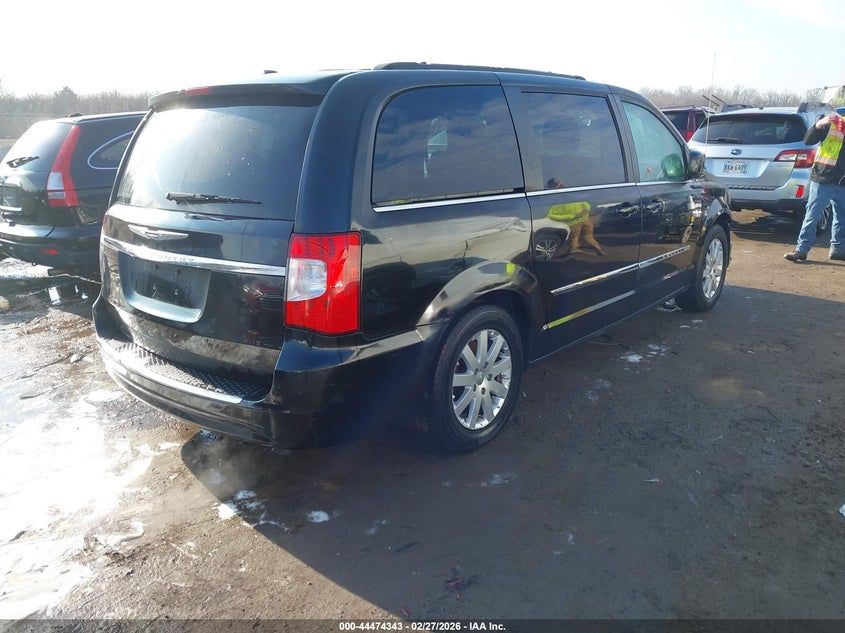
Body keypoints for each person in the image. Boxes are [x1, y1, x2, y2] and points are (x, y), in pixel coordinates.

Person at [784, 113, 845, 262]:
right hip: (823, 179)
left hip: (842, 182)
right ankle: (801, 250)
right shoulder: (831, 123)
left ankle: (838, 250)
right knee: (812, 216)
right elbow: (808, 140)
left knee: (842, 218)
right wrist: (818, 125)